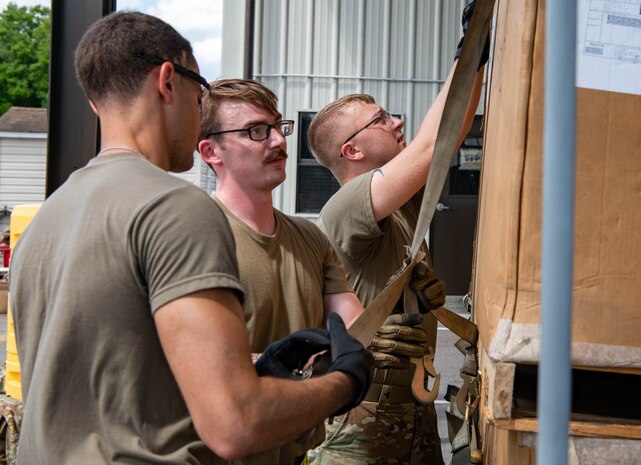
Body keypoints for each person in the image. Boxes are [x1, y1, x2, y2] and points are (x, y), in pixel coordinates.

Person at [8, 11, 372, 465]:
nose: (199, 111)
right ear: (167, 82)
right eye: (198, 92)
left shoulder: (47, 218)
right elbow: (236, 424)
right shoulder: (175, 207)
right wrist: (345, 381)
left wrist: (255, 366)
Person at [306, 6, 487, 464]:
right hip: (361, 420)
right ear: (353, 149)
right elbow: (433, 143)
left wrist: (477, 57)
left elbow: (449, 131)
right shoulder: (346, 206)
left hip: (413, 406)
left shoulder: (402, 206)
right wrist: (471, 42)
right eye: (382, 119)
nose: (397, 122)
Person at [197, 79, 367, 464]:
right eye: (256, 131)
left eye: (277, 126)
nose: (278, 141)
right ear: (211, 151)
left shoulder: (310, 238)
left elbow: (352, 327)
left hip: (293, 453)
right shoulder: (195, 237)